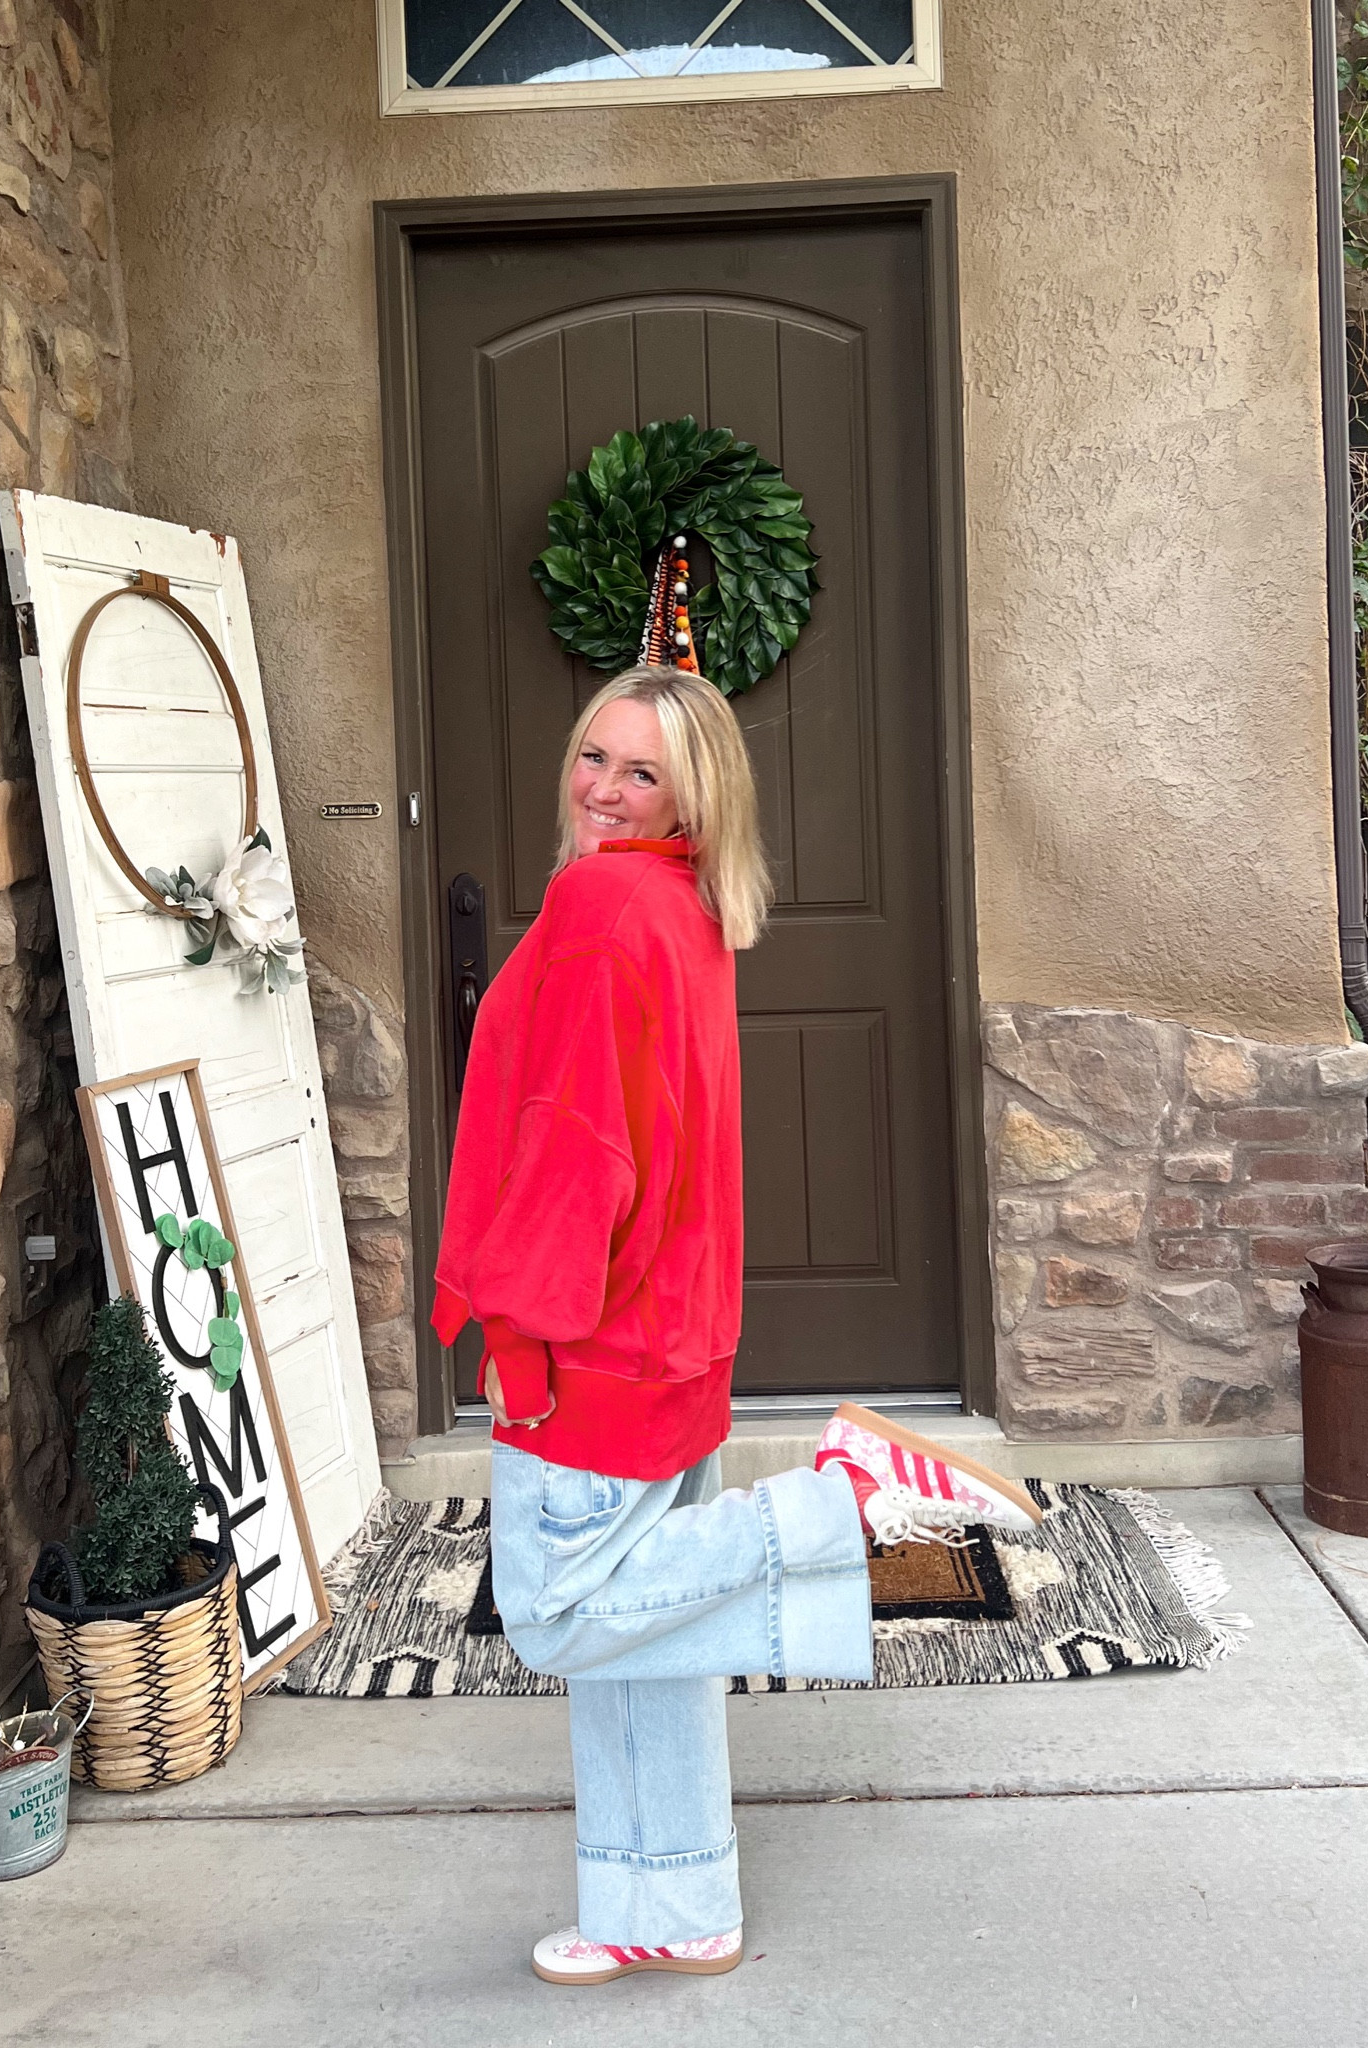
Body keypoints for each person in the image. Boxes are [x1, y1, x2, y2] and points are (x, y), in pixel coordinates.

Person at [432, 664, 1042, 1986]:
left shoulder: (601, 904)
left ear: (690, 801)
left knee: (553, 1617)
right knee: (640, 1650)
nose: (600, 788)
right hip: (669, 1331)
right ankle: (670, 1903)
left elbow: (576, 1151)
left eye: (638, 773)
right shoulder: (681, 905)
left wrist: (516, 1334)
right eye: (592, 756)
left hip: (590, 1347)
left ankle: (843, 1501)